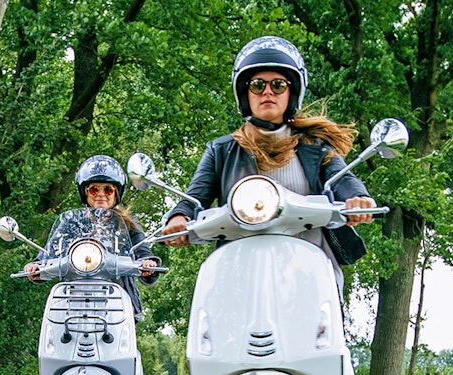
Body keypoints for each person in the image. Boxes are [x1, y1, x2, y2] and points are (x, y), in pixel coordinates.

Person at [160, 36, 377, 293]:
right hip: (239, 276)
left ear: (291, 92)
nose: (267, 92)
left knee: (323, 328)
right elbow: (194, 198)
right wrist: (178, 217)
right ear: (245, 93)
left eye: (277, 85)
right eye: (257, 85)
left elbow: (342, 179)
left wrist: (358, 198)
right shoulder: (221, 151)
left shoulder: (316, 147)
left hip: (309, 275)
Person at [25, 154, 162, 323]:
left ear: (116, 193)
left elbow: (142, 251)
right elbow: (51, 251)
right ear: (85, 192)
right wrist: (37, 265)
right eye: (94, 189)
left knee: (124, 347)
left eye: (108, 189)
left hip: (117, 303)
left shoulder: (128, 224)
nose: (101, 194)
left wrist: (148, 263)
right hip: (73, 303)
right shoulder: (72, 222)